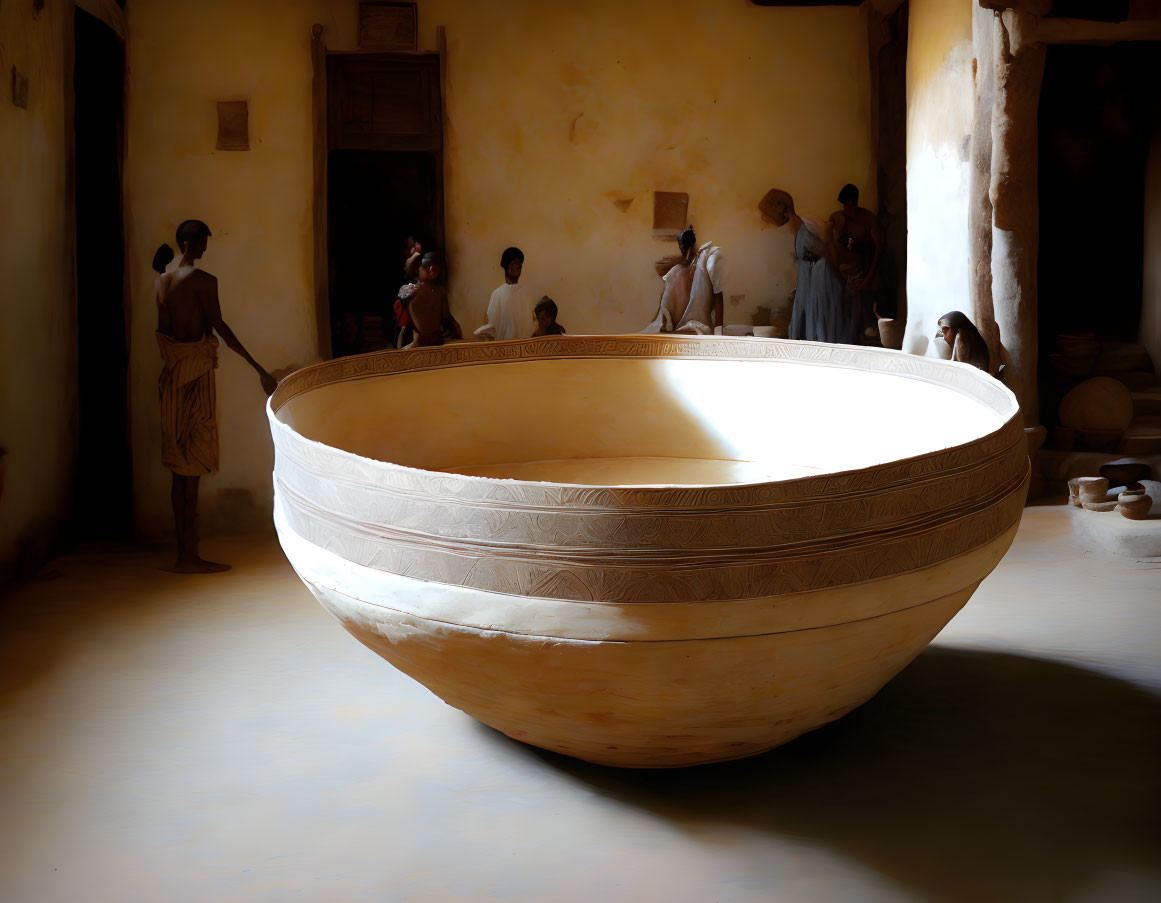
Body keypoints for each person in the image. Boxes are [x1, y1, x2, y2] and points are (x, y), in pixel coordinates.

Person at [154, 219, 276, 573]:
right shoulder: (204, 282)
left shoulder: (162, 281)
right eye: (204, 244)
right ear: (193, 245)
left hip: (173, 377)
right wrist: (258, 368)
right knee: (191, 465)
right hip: (195, 377)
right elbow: (219, 327)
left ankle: (183, 553)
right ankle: (189, 557)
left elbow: (164, 333)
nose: (206, 249)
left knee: (179, 468)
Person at [770, 190, 859, 345]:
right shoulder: (806, 228)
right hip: (809, 277)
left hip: (820, 276)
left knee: (821, 319)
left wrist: (840, 277)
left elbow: (827, 251)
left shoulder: (814, 227)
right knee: (810, 317)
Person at [641, 227, 724, 334]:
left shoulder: (706, 259)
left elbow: (718, 294)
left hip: (699, 320)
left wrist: (718, 332)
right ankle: (665, 321)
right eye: (679, 245)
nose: (680, 248)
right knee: (676, 272)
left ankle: (666, 321)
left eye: (681, 245)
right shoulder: (680, 269)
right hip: (684, 319)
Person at [829, 184, 883, 340]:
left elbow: (878, 248)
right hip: (844, 273)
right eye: (844, 205)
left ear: (854, 203)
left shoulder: (868, 219)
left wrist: (869, 277)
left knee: (861, 311)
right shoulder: (838, 218)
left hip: (863, 271)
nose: (846, 208)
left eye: (848, 205)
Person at [475, 247, 533, 340]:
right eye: (514, 264)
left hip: (523, 347)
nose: (518, 267)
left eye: (520, 264)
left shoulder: (525, 294)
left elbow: (528, 326)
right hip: (504, 348)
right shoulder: (497, 295)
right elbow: (493, 328)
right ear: (507, 266)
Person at [406, 252, 461, 347]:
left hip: (437, 338)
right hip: (419, 340)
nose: (429, 271)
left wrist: (455, 325)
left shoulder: (440, 291)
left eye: (433, 269)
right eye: (426, 267)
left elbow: (446, 314)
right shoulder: (411, 291)